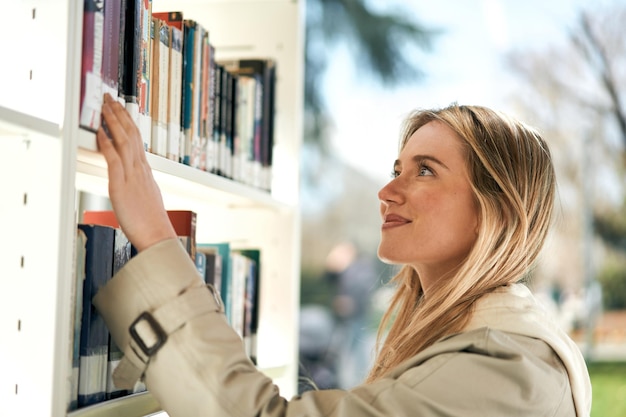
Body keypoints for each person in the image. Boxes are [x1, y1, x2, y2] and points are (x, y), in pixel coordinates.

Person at [94, 93, 592, 416]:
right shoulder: (491, 346)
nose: (387, 190)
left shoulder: (501, 369)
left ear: (494, 211)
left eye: (424, 171)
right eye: (397, 167)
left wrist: (157, 236)